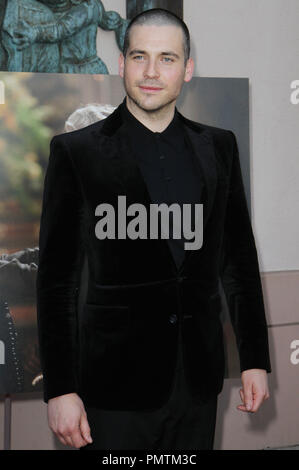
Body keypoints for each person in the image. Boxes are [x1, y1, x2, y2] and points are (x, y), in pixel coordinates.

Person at [36, 8, 271, 451]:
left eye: (167, 58)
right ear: (122, 64)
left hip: (198, 383)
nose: (150, 71)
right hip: (112, 388)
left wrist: (255, 359)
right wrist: (61, 389)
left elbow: (237, 261)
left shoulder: (219, 147)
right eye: (140, 56)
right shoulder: (75, 153)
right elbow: (56, 282)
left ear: (187, 69)